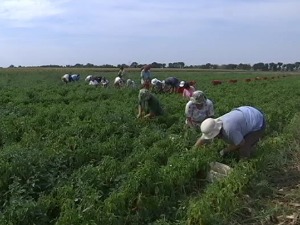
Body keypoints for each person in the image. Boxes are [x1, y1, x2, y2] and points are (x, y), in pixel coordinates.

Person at [195, 106, 266, 159]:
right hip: (246, 112)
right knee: (235, 140)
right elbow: (202, 139)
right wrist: (193, 151)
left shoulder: (229, 130)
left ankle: (244, 168)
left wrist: (224, 151)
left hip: (258, 121)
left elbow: (241, 143)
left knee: (244, 147)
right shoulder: (213, 124)